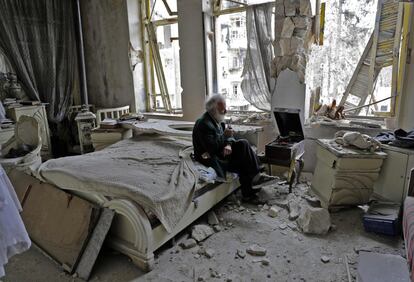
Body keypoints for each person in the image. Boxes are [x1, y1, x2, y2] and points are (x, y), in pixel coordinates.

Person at [192, 94, 272, 201]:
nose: (225, 111)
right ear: (213, 110)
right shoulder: (203, 124)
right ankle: (251, 188)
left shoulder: (217, 119)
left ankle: (255, 179)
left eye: (225, 108)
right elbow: (211, 148)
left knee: (243, 144)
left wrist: (229, 144)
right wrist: (225, 136)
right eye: (222, 110)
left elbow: (230, 136)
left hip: (222, 152)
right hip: (211, 158)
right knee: (244, 160)